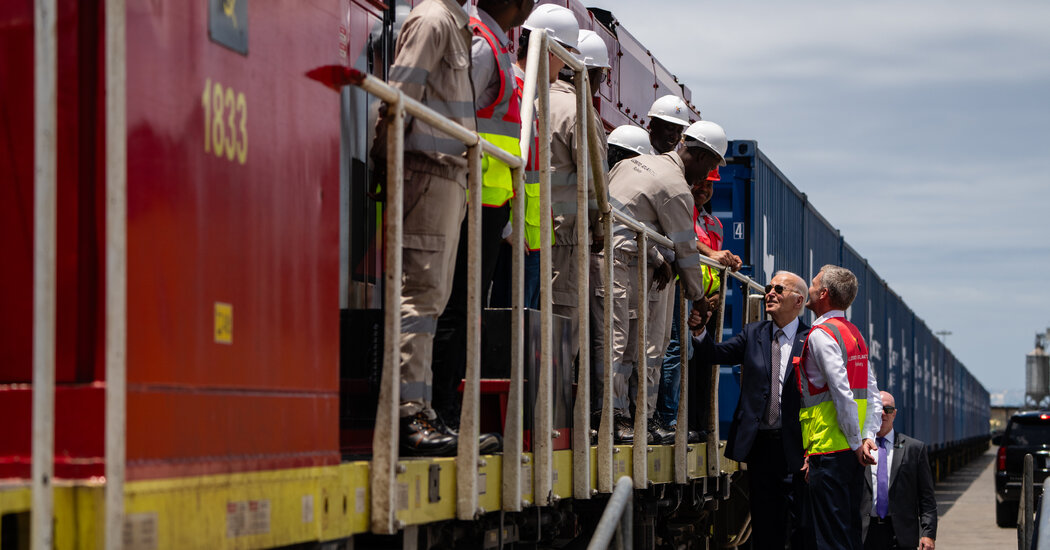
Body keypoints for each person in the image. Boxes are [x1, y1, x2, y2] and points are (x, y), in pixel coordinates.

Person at [369, 0, 478, 456]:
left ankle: (421, 409)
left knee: (430, 298)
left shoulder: (453, 25)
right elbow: (399, 97)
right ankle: (408, 414)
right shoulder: (434, 20)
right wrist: (386, 159)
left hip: (447, 177)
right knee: (419, 296)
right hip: (428, 172)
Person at [429, 0, 534, 440]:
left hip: (487, 201)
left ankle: (447, 412)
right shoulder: (483, 45)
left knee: (465, 308)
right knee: (457, 307)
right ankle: (441, 412)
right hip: (473, 198)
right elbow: (455, 119)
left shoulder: (493, 43)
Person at [592, 121, 727, 444]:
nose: (706, 176)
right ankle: (612, 416)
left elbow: (623, 216)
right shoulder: (676, 188)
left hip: (622, 261)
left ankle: (628, 415)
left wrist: (654, 257)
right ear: (699, 155)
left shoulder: (633, 164)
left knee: (626, 345)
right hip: (619, 263)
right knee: (617, 342)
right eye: (710, 165)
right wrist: (698, 299)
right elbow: (686, 249)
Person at [689, 271, 810, 550]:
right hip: (761, 447)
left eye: (779, 289)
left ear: (798, 300)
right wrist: (700, 331)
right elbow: (714, 354)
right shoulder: (754, 333)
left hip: (797, 447)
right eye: (769, 288)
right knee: (765, 525)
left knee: (800, 526)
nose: (770, 293)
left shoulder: (811, 339)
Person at [797, 265, 883, 549]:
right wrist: (868, 437)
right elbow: (872, 393)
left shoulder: (821, 335)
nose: (808, 288)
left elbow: (842, 393)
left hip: (830, 451)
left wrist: (859, 442)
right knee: (849, 534)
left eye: (812, 284)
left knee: (831, 539)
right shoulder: (854, 333)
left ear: (823, 293)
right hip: (852, 453)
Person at [655, 162, 743, 435]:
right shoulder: (679, 209)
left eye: (710, 184)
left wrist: (716, 293)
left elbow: (712, 266)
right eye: (700, 183)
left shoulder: (714, 223)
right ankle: (669, 419)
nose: (704, 188)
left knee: (698, 361)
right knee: (676, 352)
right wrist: (712, 254)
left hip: (704, 301)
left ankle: (695, 423)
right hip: (681, 292)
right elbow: (681, 241)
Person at [514, 4, 579, 310]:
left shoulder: (532, 99)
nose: (565, 67)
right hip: (518, 236)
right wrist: (508, 227)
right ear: (551, 50)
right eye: (566, 54)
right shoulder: (516, 91)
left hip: (533, 236)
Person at [861, 392, 937, 550]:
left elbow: (926, 497)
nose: (882, 413)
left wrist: (928, 533)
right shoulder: (858, 449)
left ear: (894, 414)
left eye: (887, 409)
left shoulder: (914, 449)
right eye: (877, 408)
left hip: (901, 535)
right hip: (864, 534)